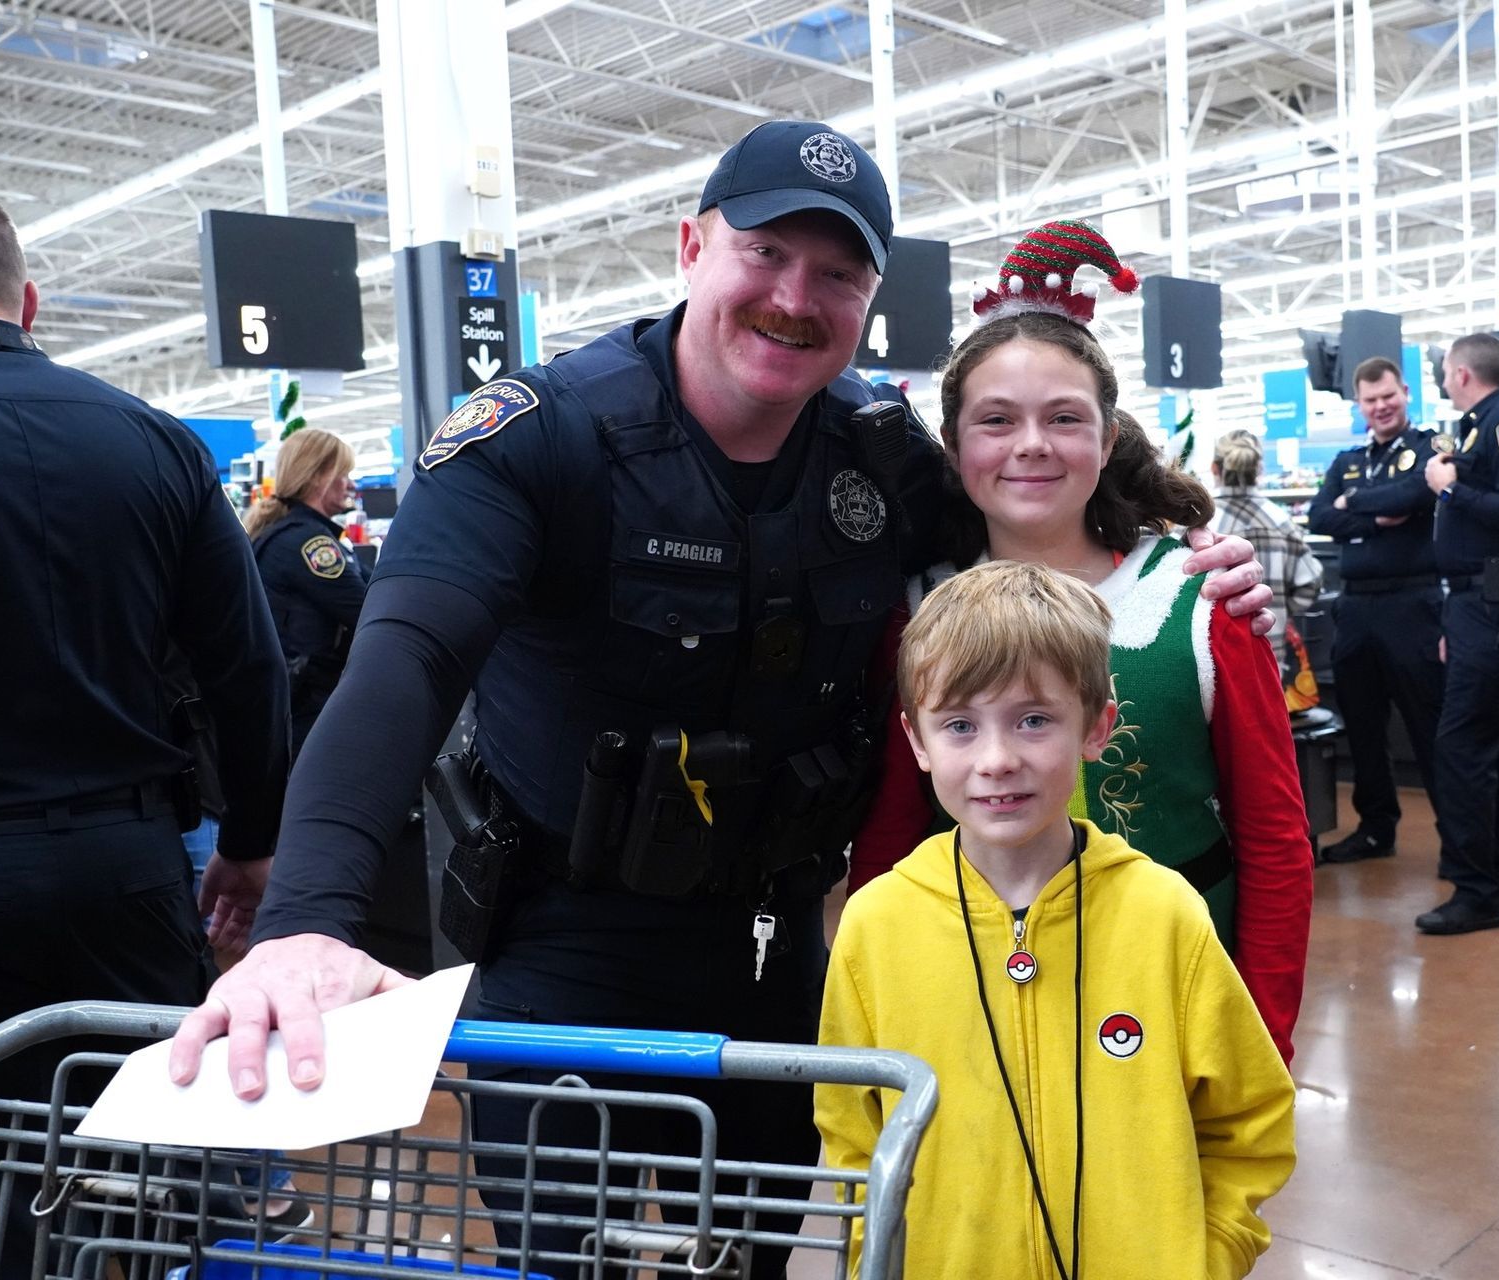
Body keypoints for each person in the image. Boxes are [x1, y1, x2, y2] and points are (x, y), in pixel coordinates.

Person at [164, 125, 1273, 1277]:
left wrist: (1192, 554)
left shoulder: (880, 458)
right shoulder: (538, 440)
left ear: (869, 299)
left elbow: (1038, 521)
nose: (796, 297)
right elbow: (401, 665)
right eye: (765, 251)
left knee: (748, 1248)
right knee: (564, 1251)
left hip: (775, 949)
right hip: (563, 945)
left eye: (837, 272)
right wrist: (305, 919)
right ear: (691, 245)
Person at [845, 221, 1312, 1065]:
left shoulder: (1200, 600)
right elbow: (892, 829)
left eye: (1064, 418)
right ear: (953, 447)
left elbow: (1275, 839)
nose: (1031, 445)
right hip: (971, 999)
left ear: (1106, 437)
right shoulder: (917, 608)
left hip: (1173, 994)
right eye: (997, 420)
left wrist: (1262, 1038)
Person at [0, 183, 289, 1280]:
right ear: (31, 300)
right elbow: (247, 665)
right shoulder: (154, 442)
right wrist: (249, 837)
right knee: (152, 1188)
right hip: (125, 872)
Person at [818, 559, 1297, 1279]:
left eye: (1034, 720)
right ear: (917, 741)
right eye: (959, 726)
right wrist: (873, 1260)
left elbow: (1248, 1121)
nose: (997, 759)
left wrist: (1208, 1254)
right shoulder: (875, 925)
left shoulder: (1166, 914)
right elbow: (853, 1135)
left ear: (1097, 727)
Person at [1416, 331, 1499, 935]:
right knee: (1489, 745)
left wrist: (1454, 488)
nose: (1444, 380)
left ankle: (1477, 892)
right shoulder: (1479, 425)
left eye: (1447, 372)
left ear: (1464, 373)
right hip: (1476, 603)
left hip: (1494, 601)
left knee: (1463, 746)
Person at [1306, 356, 1446, 866]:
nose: (1381, 407)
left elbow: (1416, 492)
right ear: (1359, 405)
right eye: (1371, 400)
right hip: (1357, 608)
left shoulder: (1431, 446)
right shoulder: (1346, 458)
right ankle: (1375, 828)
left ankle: (1458, 836)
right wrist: (1375, 512)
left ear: (1405, 392)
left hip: (1414, 603)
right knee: (1363, 726)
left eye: (1388, 396)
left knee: (1428, 724)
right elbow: (1321, 515)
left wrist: (1353, 504)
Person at [243, 428, 368, 753]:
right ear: (317, 478)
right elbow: (367, 608)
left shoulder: (285, 533)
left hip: (289, 701)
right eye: (344, 475)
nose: (351, 485)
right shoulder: (309, 543)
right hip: (309, 705)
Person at [1208, 428, 1322, 688]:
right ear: (1259, 470)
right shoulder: (1281, 521)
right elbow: (1312, 582)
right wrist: (1280, 609)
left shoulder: (1199, 524)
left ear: (1215, 468)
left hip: (1212, 657)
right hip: (1269, 651)